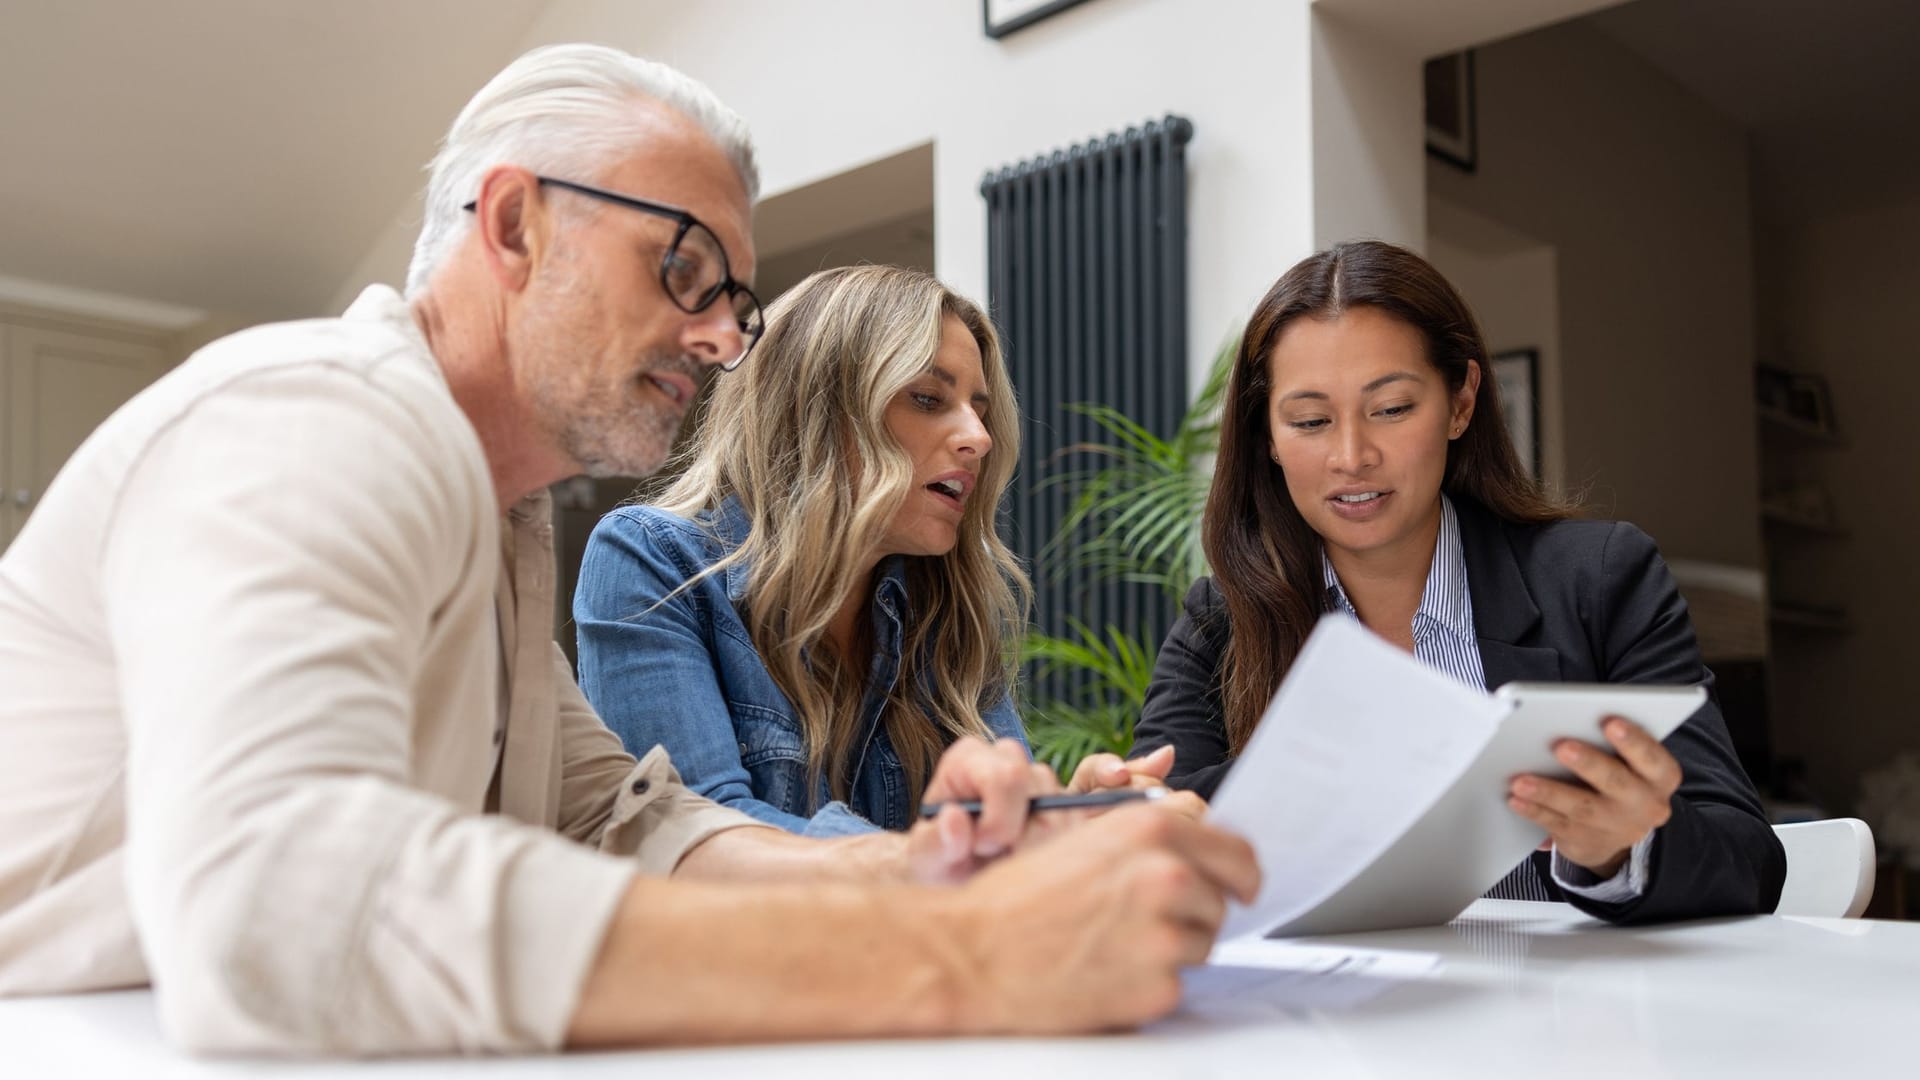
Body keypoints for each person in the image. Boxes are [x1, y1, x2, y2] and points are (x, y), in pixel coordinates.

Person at [0, 44, 1258, 1055]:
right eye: (686, 270)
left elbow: (626, 819)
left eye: (735, 300)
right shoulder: (313, 418)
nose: (721, 341)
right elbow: (281, 904)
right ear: (513, 226)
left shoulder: (499, 523)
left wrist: (926, 864)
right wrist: (970, 955)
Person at [1113, 239, 1781, 924]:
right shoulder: (1220, 618)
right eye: (1311, 422)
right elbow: (1159, 827)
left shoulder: (1601, 580)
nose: (1352, 457)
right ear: (1267, 440)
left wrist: (1622, 849)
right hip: (1330, 1015)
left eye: (1393, 408)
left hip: (1565, 1018)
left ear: (1461, 402)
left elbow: (1749, 861)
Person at [576, 265, 1164, 840]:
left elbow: (993, 842)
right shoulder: (651, 560)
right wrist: (932, 858)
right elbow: (702, 840)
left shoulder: (946, 606)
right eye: (930, 398)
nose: (980, 439)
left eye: (980, 412)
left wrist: (1066, 826)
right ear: (819, 413)